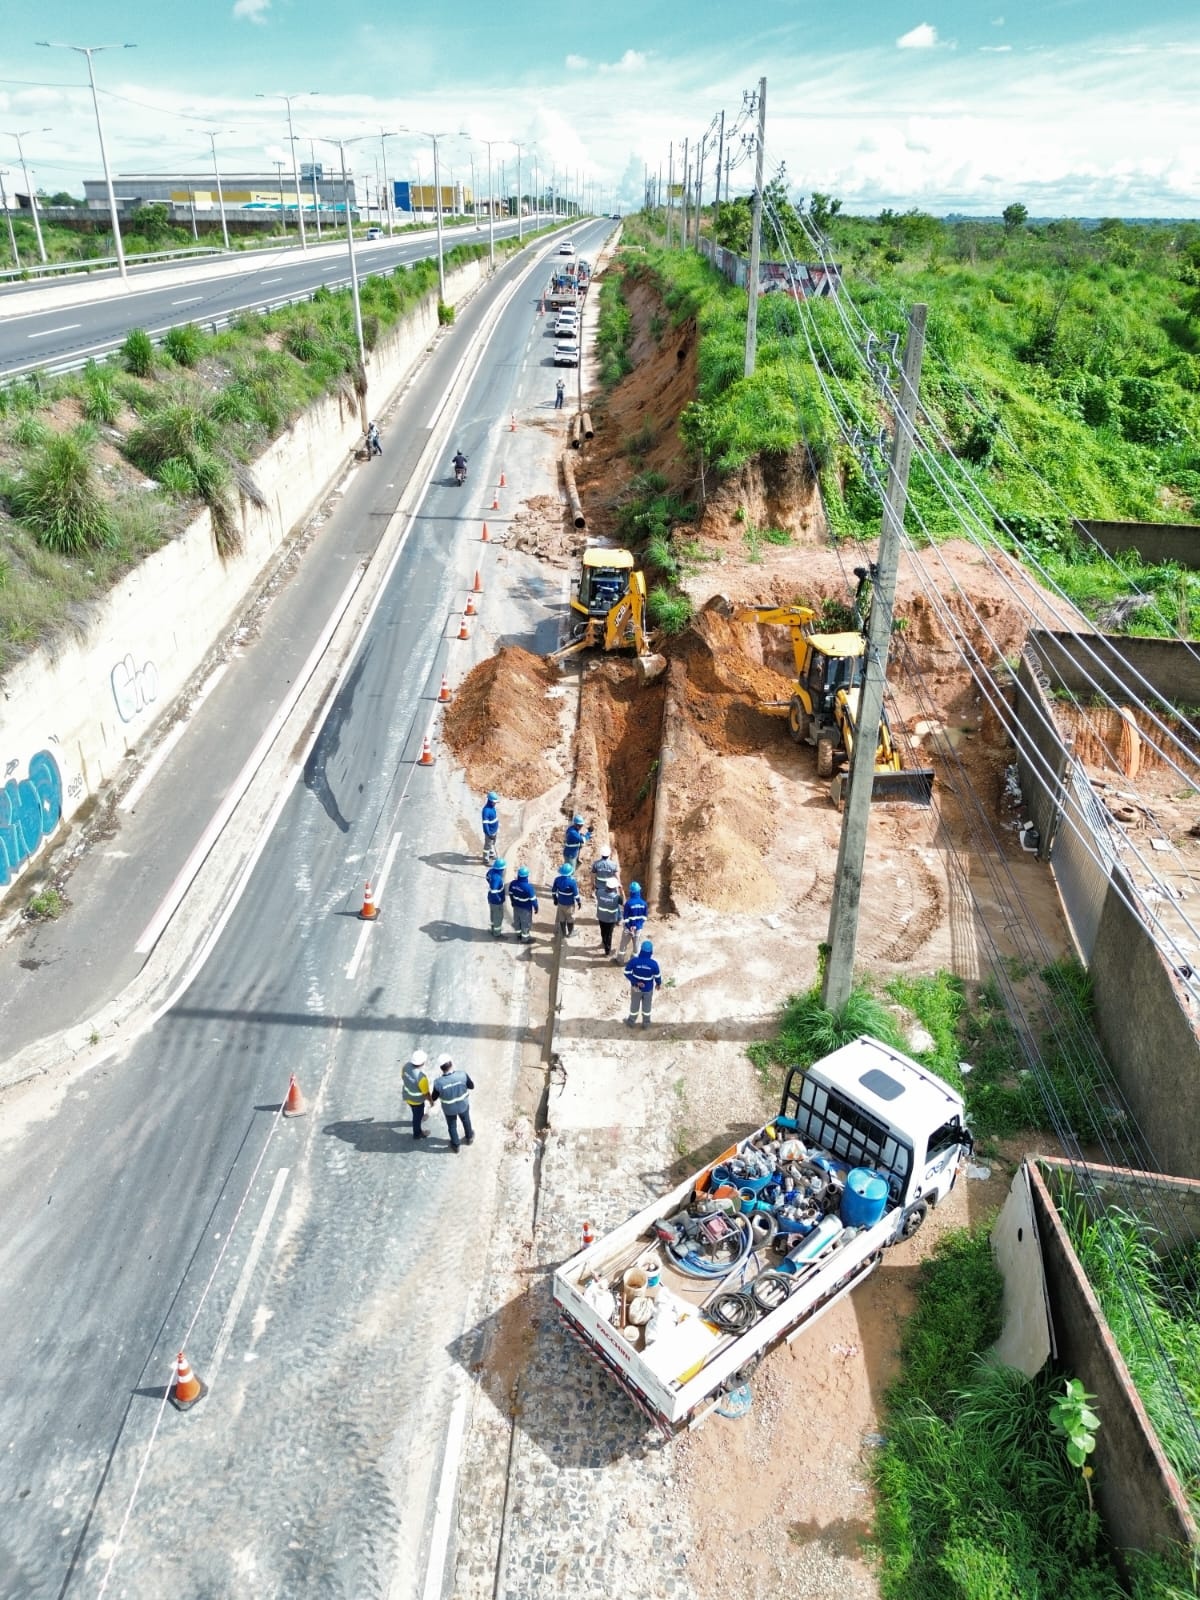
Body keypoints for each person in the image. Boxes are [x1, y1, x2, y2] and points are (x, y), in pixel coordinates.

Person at [431, 1054, 475, 1151]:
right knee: (466, 1120)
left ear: (441, 1068)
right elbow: (472, 1086)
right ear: (451, 1063)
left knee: (452, 1126)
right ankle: (469, 1137)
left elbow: (434, 1097)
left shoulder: (438, 1082)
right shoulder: (462, 1074)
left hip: (449, 1109)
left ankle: (456, 1145)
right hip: (463, 1105)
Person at [624, 939, 662, 1029]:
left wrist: (635, 982)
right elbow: (657, 976)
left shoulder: (634, 961)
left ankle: (631, 1022)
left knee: (634, 1004)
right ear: (651, 952)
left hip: (636, 987)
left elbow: (626, 972)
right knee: (647, 1006)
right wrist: (658, 984)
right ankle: (646, 1024)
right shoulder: (653, 964)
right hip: (648, 989)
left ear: (641, 950)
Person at [402, 1048, 432, 1139]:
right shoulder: (421, 1078)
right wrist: (431, 1101)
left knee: (415, 1111)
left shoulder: (405, 1066)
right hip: (417, 1101)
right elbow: (426, 1093)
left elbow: (403, 1077)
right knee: (416, 1117)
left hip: (407, 1096)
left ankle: (420, 1116)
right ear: (422, 1063)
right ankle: (417, 1133)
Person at [595, 867, 624, 956]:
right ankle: (607, 950)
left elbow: (599, 893)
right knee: (609, 934)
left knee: (603, 932)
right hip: (611, 919)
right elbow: (624, 903)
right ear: (614, 887)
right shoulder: (616, 897)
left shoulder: (599, 892)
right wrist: (622, 891)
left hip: (601, 917)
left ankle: (604, 942)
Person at [618, 880, 648, 961]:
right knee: (636, 945)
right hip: (638, 929)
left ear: (631, 892)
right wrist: (637, 926)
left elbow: (626, 918)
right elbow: (644, 917)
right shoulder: (644, 903)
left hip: (628, 929)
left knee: (623, 944)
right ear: (639, 891)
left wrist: (630, 927)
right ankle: (634, 960)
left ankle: (620, 960)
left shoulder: (629, 903)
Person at [551, 860, 582, 938]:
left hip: (560, 903)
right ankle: (570, 933)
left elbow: (554, 891)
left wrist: (555, 899)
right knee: (570, 919)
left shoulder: (557, 879)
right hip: (569, 905)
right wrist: (579, 902)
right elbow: (576, 895)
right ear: (570, 872)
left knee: (562, 918)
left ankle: (563, 933)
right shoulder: (572, 882)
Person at [508, 865, 539, 942]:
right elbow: (533, 900)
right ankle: (525, 938)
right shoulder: (528, 887)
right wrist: (536, 907)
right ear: (527, 876)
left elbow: (510, 894)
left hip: (516, 906)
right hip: (525, 909)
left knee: (517, 921)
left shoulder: (513, 883)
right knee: (525, 923)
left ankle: (518, 935)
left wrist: (512, 902)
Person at [486, 857, 508, 937]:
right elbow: (494, 890)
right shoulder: (497, 878)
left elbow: (487, 877)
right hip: (496, 902)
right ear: (501, 869)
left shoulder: (491, 872)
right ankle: (497, 933)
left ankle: (493, 928)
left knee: (492, 914)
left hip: (490, 900)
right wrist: (499, 899)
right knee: (498, 917)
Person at [481, 792, 500, 863]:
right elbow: (485, 825)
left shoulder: (492, 807)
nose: (495, 803)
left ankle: (491, 854)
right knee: (487, 845)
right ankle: (485, 859)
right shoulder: (486, 811)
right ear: (489, 801)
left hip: (494, 831)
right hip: (490, 832)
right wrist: (488, 834)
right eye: (494, 802)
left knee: (492, 843)